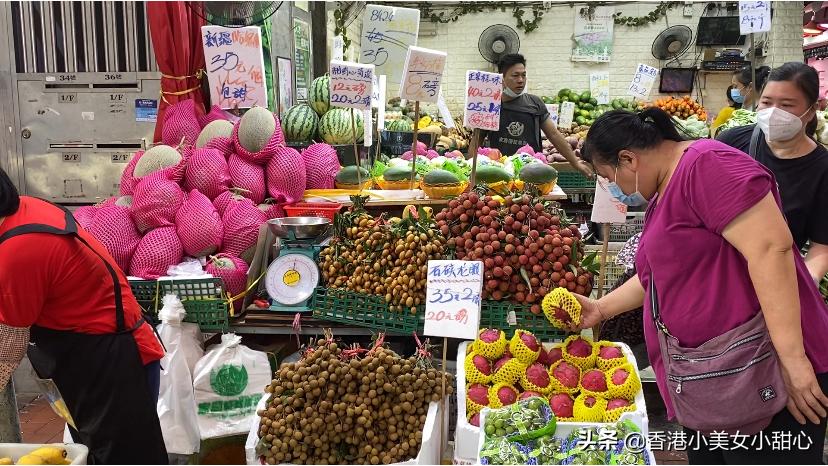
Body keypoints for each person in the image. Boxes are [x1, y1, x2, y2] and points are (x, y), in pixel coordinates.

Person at [574, 107, 828, 464]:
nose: (612, 188)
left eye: (606, 176)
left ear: (628, 159)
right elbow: (663, 276)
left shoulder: (706, 165)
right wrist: (600, 308)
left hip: (767, 370)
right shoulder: (665, 187)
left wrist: (794, 361)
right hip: (718, 376)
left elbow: (771, 249)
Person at [0, 168, 168, 464]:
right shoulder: (26, 209)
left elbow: (6, 348)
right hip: (93, 359)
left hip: (111, 364)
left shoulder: (18, 249)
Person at [718, 62, 828, 283]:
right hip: (717, 272)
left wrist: (806, 280)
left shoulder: (822, 169)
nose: (773, 112)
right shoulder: (730, 143)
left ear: (811, 111)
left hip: (770, 281)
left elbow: (822, 244)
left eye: (786, 105)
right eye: (767, 102)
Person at [488, 53, 593, 178]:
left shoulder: (534, 103)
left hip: (532, 172)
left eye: (523, 75)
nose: (521, 80)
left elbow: (553, 134)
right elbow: (477, 139)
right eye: (515, 76)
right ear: (502, 78)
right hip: (499, 172)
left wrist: (575, 163)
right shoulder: (491, 105)